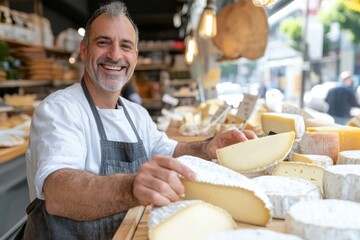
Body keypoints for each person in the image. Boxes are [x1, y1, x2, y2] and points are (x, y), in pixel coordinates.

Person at [19, 2, 257, 239]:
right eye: (103, 42)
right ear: (84, 50)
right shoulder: (59, 110)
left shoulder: (136, 114)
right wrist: (131, 187)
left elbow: (169, 150)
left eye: (125, 46)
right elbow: (59, 194)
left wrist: (206, 147)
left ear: (134, 56)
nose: (115, 55)